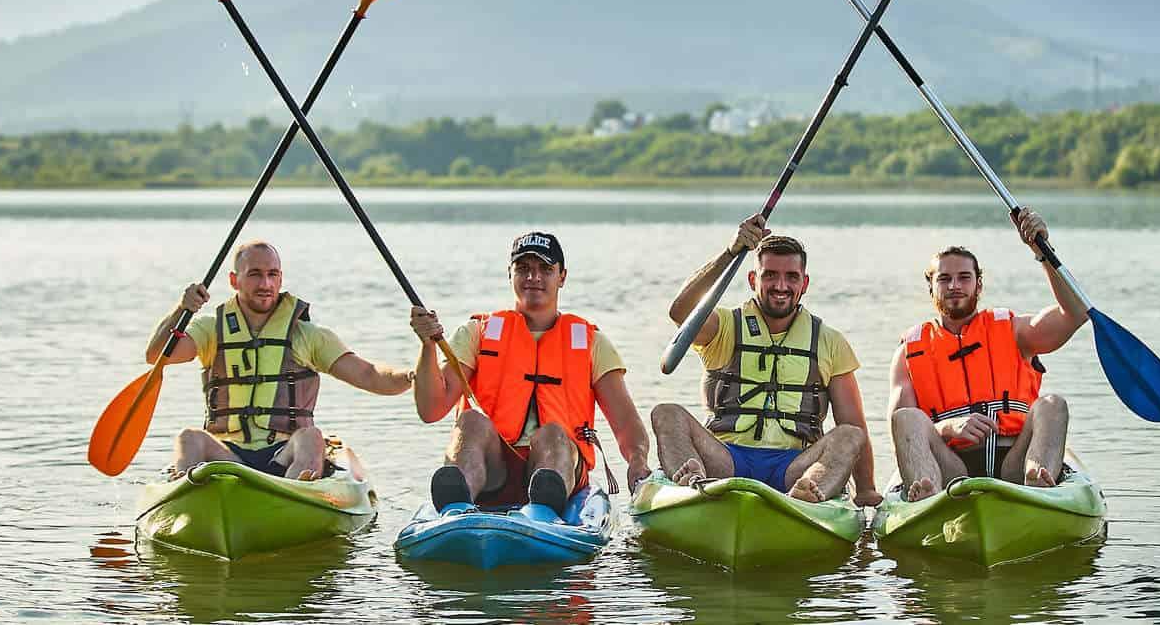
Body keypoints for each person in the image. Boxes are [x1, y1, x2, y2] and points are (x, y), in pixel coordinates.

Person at [409, 231, 651, 516]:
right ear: (509, 274)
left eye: (545, 269)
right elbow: (430, 409)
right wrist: (427, 346)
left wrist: (637, 461)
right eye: (523, 268)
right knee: (471, 421)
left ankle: (543, 513)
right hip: (494, 468)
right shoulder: (477, 333)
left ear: (562, 276)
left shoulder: (591, 341)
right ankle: (456, 509)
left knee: (553, 435)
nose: (533, 277)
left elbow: (626, 423)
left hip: (559, 466)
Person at [652, 214, 882, 507]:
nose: (780, 286)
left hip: (795, 466)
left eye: (791, 277)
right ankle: (692, 483)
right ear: (752, 279)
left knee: (850, 434)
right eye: (770, 275)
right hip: (726, 458)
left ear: (805, 283)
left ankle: (807, 492)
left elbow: (853, 424)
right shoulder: (724, 326)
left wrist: (866, 491)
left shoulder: (830, 341)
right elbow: (680, 311)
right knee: (666, 412)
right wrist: (731, 251)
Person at [145, 240, 414, 480]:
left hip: (285, 457)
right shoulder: (210, 329)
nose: (266, 284)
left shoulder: (306, 335)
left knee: (311, 437)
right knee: (188, 438)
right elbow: (156, 355)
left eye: (272, 275)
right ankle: (186, 496)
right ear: (233, 280)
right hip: (227, 455)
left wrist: (410, 376)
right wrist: (182, 308)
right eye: (255, 275)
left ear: (281, 278)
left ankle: (294, 497)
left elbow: (370, 375)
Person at [889, 207, 1087, 501]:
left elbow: (1076, 312)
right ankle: (926, 494)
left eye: (964, 277)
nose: (954, 286)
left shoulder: (1014, 330)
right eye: (944, 279)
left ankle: (1039, 480)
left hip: (1014, 464)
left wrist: (1042, 252)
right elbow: (902, 430)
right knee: (905, 417)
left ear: (978, 284)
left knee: (1052, 404)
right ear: (930, 287)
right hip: (951, 469)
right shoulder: (910, 350)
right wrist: (946, 427)